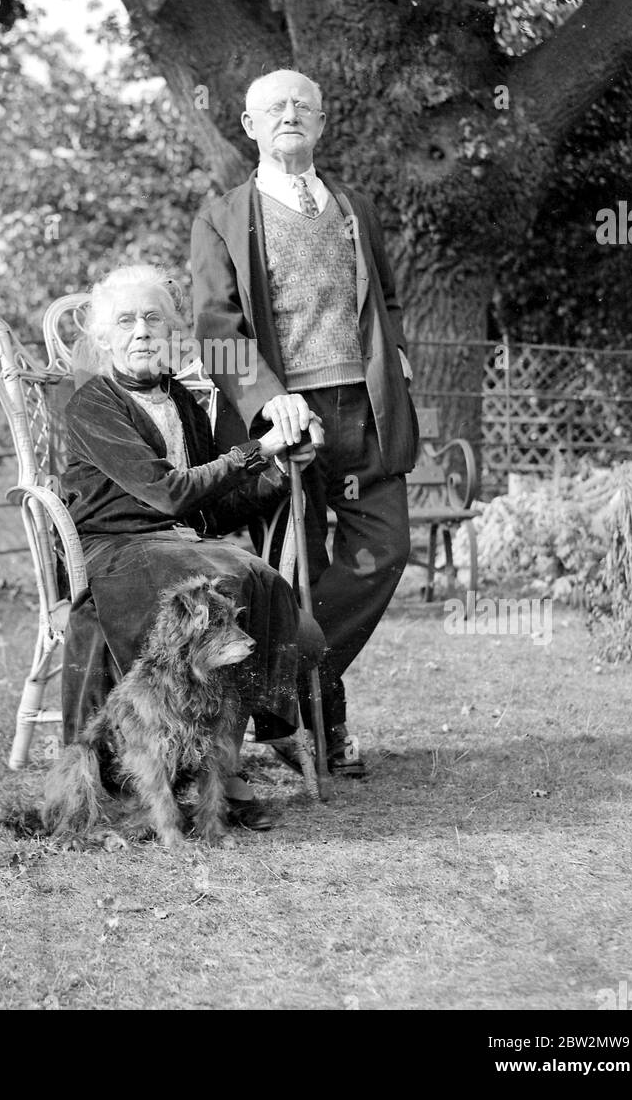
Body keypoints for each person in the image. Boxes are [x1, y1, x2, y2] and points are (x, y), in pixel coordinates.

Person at [191, 69, 419, 776]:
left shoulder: (355, 207)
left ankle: (285, 687)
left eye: (303, 106)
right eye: (274, 108)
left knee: (386, 550)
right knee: (298, 568)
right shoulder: (221, 216)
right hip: (285, 424)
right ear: (249, 125)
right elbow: (216, 328)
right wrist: (266, 398)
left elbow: (385, 296)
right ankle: (326, 731)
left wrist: (399, 357)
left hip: (366, 409)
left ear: (321, 124)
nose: (290, 114)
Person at [58, 263, 324, 832]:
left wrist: (278, 466)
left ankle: (223, 750)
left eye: (153, 318)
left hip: (181, 544)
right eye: (125, 321)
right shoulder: (92, 406)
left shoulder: (180, 400)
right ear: (105, 338)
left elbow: (207, 510)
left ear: (172, 332)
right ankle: (202, 765)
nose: (141, 332)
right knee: (217, 585)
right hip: (120, 550)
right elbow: (172, 493)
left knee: (261, 582)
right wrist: (256, 448)